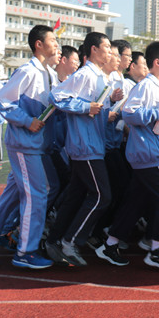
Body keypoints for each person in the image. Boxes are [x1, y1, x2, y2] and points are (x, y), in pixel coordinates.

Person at [0, 25, 59, 269]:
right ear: (38, 44)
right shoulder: (28, 71)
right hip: (24, 144)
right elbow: (3, 100)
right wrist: (28, 121)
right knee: (37, 195)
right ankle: (25, 252)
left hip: (35, 144)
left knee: (15, 194)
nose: (56, 44)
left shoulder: (48, 73)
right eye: (52, 39)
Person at [95, 41, 159, 270]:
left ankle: (110, 245)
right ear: (157, 62)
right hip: (149, 153)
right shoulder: (146, 86)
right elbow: (129, 113)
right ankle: (157, 250)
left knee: (135, 203)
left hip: (154, 151)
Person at [45, 32, 114, 267]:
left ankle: (54, 239)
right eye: (106, 47)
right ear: (93, 49)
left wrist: (108, 106)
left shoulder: (99, 76)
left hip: (92, 144)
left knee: (75, 196)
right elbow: (56, 96)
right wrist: (86, 107)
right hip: (85, 147)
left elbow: (95, 108)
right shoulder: (85, 74)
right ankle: (70, 241)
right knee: (102, 196)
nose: (110, 51)